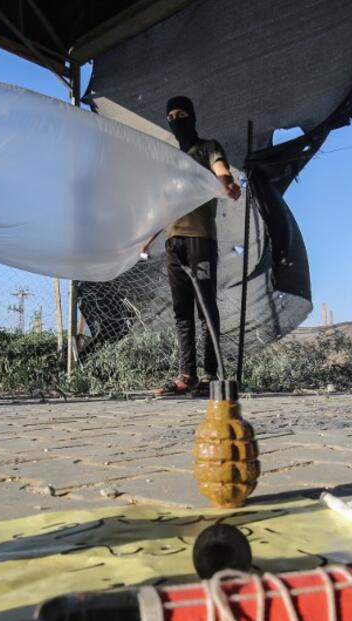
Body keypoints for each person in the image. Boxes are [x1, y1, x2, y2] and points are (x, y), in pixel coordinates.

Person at [149, 96, 241, 396]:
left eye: (182, 114)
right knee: (181, 311)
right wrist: (146, 237)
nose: (176, 120)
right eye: (171, 116)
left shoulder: (206, 147)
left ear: (193, 116)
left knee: (205, 307)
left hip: (200, 239)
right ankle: (186, 374)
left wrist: (227, 182)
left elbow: (220, 169)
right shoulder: (169, 160)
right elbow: (162, 205)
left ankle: (210, 375)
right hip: (173, 242)